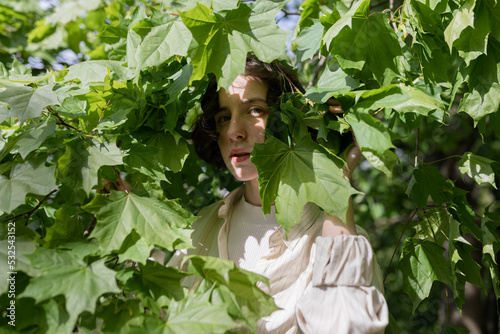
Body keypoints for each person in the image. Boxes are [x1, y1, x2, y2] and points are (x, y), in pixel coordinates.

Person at [161, 56, 389, 333]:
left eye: (255, 110)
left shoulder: (340, 239)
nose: (234, 131)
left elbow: (347, 325)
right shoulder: (195, 230)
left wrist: (337, 179)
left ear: (292, 122)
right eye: (224, 118)